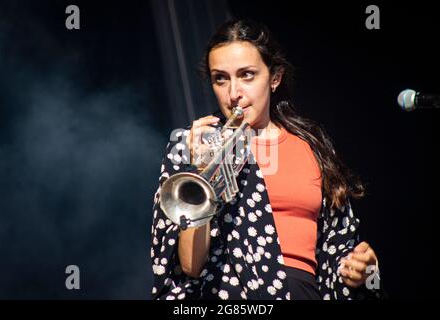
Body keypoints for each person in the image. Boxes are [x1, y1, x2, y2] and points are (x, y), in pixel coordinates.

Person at [150, 19, 384, 300]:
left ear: (275, 78)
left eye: (247, 75)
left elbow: (337, 249)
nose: (234, 93)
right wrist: (200, 170)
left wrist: (360, 268)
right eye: (220, 78)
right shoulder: (191, 143)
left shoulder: (313, 147)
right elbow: (189, 265)